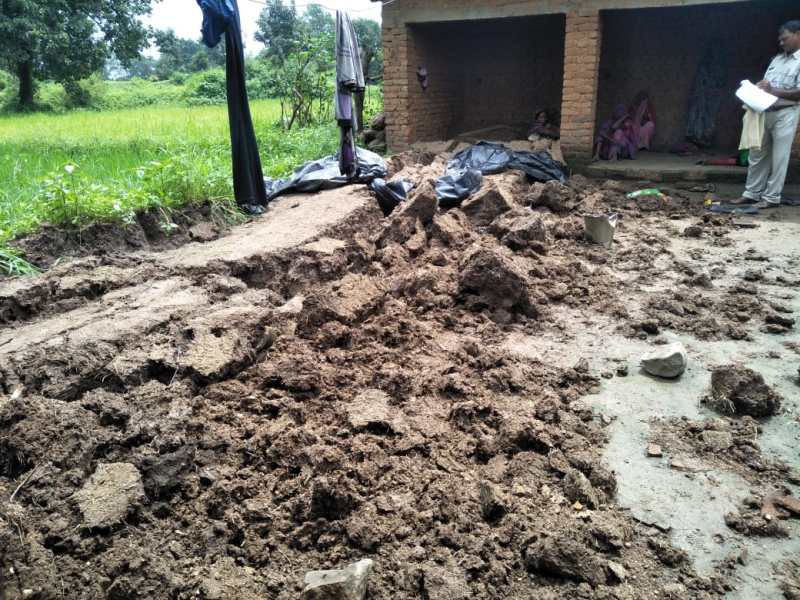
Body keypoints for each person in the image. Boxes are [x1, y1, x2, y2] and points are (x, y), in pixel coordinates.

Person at [733, 21, 800, 209]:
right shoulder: (777, 59)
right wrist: (757, 90)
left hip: (786, 113)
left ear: (798, 34)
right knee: (757, 154)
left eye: (785, 38)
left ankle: (771, 198)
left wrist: (772, 90)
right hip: (764, 111)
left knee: (779, 158)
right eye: (780, 39)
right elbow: (767, 85)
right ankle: (751, 194)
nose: (781, 42)